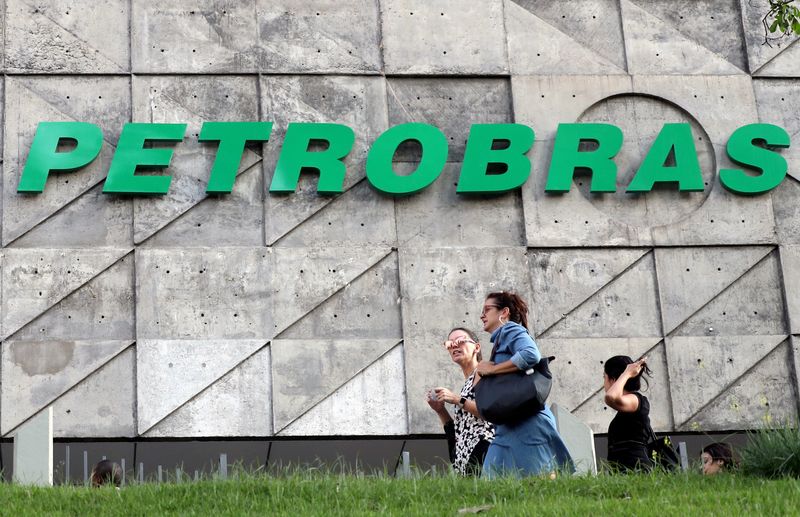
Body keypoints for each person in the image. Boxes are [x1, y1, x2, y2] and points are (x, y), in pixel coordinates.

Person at [476, 291, 573, 478]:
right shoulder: (501, 339)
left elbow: (531, 354)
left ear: (503, 312)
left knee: (539, 485)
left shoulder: (511, 330)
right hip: (509, 426)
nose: (482, 315)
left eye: (487, 309)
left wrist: (493, 370)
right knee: (490, 484)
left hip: (529, 424)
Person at [427, 327, 495, 476]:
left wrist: (457, 399)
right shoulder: (468, 383)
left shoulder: (484, 371)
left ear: (477, 347)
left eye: (460, 341)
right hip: (465, 460)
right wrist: (441, 410)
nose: (454, 346)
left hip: (484, 451)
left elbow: (490, 411)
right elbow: (459, 432)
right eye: (450, 344)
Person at [603, 355, 653, 472]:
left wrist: (627, 373)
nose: (604, 382)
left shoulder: (636, 399)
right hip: (626, 470)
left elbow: (610, 397)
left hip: (637, 470)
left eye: (604, 377)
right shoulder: (627, 404)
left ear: (613, 380)